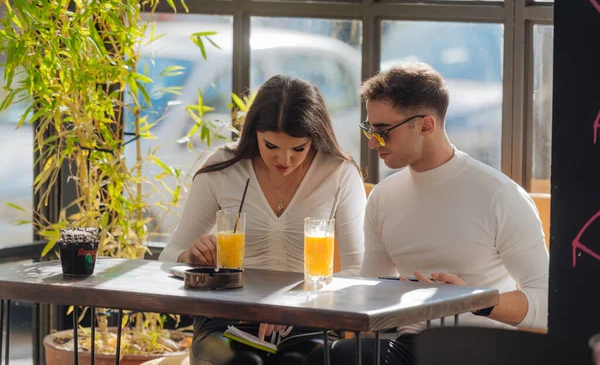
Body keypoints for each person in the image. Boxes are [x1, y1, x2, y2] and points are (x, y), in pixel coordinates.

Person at [306, 63, 549, 365]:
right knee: (320, 357)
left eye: (383, 132)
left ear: (425, 126)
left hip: (482, 348)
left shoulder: (500, 195)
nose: (372, 142)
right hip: (411, 347)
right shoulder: (384, 197)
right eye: (370, 130)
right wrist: (300, 301)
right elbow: (370, 285)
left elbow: (549, 302)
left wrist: (475, 299)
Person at [158, 74, 366, 365]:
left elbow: (361, 271)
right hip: (227, 320)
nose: (285, 160)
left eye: (298, 149)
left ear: (314, 139)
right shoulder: (223, 167)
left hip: (304, 320)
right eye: (272, 147)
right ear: (253, 132)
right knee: (246, 362)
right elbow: (167, 257)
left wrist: (297, 303)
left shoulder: (338, 173)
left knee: (298, 362)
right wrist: (190, 256)